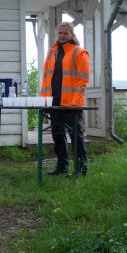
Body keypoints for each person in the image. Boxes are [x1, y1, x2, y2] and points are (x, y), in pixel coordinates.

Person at [40, 21, 90, 177]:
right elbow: (46, 78)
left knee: (76, 137)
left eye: (65, 33)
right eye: (60, 33)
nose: (62, 36)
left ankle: (81, 169)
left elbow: (83, 80)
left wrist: (75, 102)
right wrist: (44, 100)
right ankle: (62, 167)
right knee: (57, 135)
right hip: (53, 102)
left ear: (72, 34)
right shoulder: (52, 52)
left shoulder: (79, 52)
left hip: (72, 104)